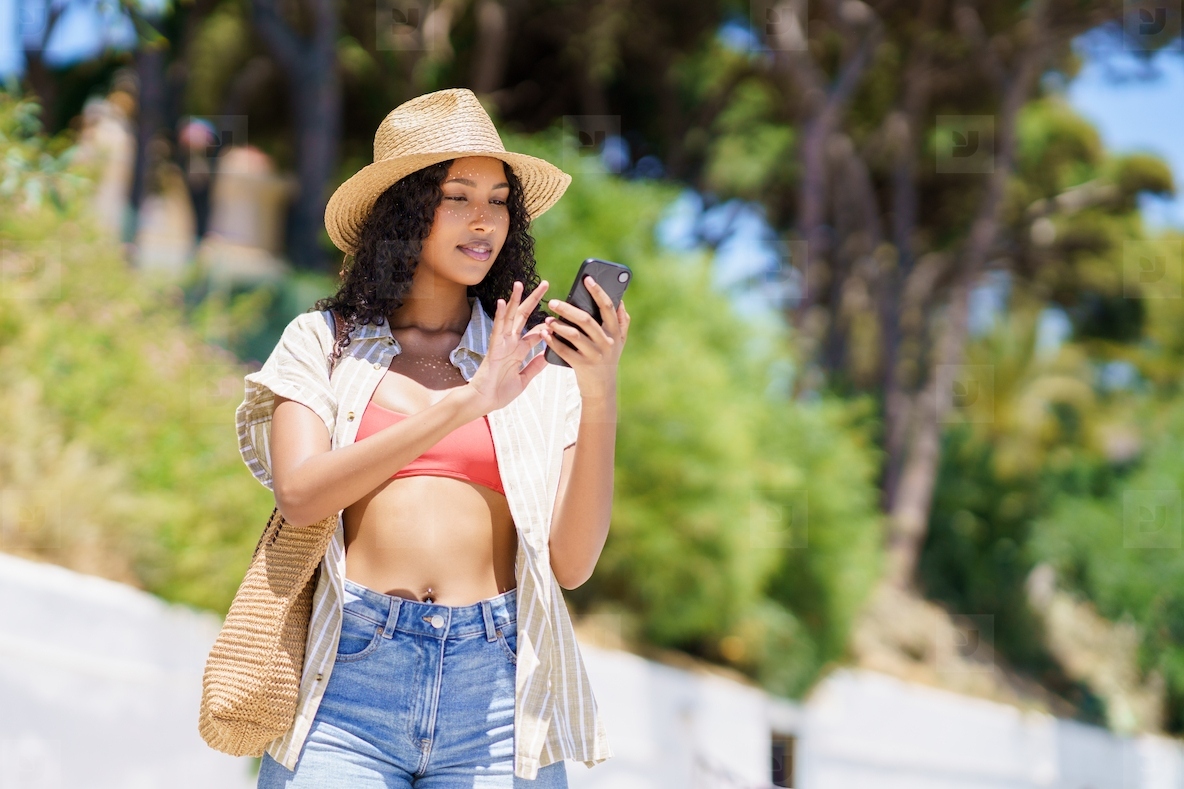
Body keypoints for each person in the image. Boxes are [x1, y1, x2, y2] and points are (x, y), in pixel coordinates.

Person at [235, 88, 628, 787]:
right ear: (406, 209)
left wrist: (600, 392)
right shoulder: (322, 345)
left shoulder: (538, 367)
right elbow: (300, 493)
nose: (485, 221)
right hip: (348, 687)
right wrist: (467, 403)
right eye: (458, 196)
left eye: (500, 200)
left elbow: (572, 564)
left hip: (497, 697)